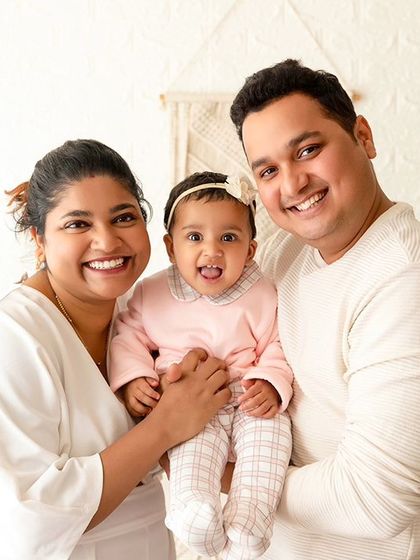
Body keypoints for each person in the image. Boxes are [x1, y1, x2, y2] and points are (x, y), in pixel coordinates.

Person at [0, 139, 232, 560]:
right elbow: (29, 514)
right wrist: (164, 424)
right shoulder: (14, 336)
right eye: (77, 224)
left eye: (124, 217)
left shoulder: (142, 310)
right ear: (39, 239)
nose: (107, 242)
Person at [228, 58, 420, 560]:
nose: (291, 185)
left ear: (364, 137)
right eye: (268, 170)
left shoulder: (402, 278)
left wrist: (232, 477)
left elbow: (376, 498)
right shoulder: (284, 252)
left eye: (308, 150)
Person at [108, 171, 293, 559]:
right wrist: (135, 377)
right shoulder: (152, 292)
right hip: (187, 404)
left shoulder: (263, 292)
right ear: (172, 248)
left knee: (268, 448)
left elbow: (279, 342)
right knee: (193, 460)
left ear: (251, 249)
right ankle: (194, 514)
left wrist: (271, 382)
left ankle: (249, 523)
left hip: (248, 397)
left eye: (228, 238)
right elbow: (128, 334)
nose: (212, 251)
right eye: (195, 238)